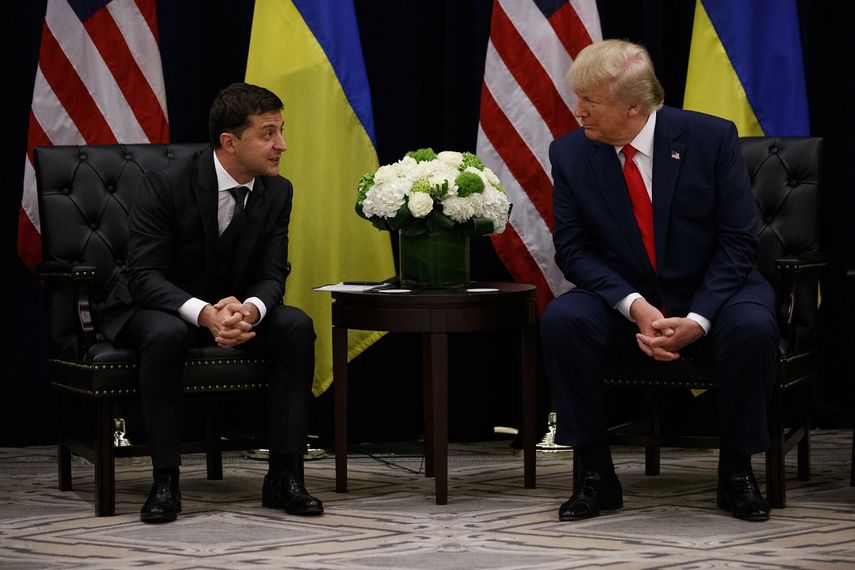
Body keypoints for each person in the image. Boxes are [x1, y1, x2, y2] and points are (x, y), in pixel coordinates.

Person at [540, 40, 778, 522]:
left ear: (635, 106)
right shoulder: (569, 154)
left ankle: (736, 472)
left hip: (715, 290)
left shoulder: (710, 138)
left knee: (753, 329)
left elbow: (738, 241)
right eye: (578, 98)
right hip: (626, 296)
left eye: (591, 101)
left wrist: (697, 318)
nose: (578, 111)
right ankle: (596, 476)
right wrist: (636, 306)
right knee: (563, 320)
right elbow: (574, 250)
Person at [99, 82, 323, 523]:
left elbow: (273, 271)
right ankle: (165, 478)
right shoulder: (166, 183)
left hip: (232, 307)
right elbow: (144, 275)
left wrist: (250, 310)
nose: (282, 145)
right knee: (164, 335)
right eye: (268, 133)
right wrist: (205, 314)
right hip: (159, 306)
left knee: (295, 325)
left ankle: (284, 475)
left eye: (281, 131)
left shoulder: (278, 191)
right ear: (229, 141)